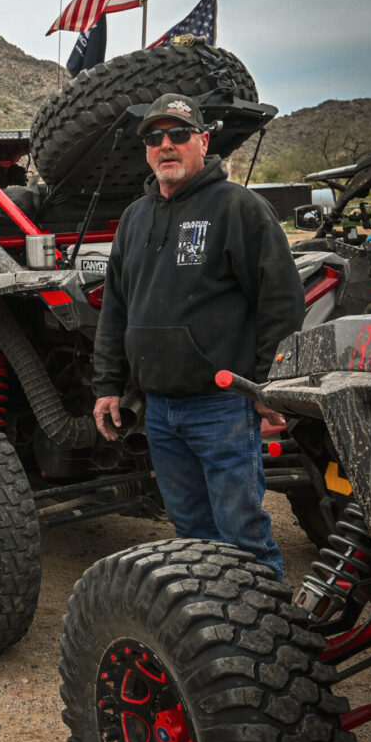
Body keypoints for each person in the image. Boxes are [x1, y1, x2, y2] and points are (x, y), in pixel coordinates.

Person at [92, 92, 304, 580]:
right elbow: (116, 309)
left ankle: (268, 642)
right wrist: (107, 386)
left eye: (178, 134)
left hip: (222, 407)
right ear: (146, 149)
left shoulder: (240, 208)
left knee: (242, 534)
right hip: (160, 411)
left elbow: (280, 303)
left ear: (203, 141)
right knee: (191, 537)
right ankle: (213, 633)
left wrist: (267, 386)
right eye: (154, 137)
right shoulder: (133, 219)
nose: (166, 144)